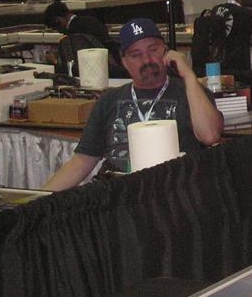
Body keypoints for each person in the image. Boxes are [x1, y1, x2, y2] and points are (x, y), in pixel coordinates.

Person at [43, 18, 223, 191]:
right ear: (124, 62)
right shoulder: (109, 100)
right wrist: (38, 199)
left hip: (172, 189)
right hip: (117, 191)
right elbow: (83, 160)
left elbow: (210, 136)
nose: (147, 60)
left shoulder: (191, 92)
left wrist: (189, 75)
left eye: (153, 50)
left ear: (166, 52)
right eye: (136, 55)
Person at [43, 0, 122, 77]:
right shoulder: (90, 20)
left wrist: (55, 61)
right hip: (115, 67)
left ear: (57, 20)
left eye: (55, 28)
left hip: (98, 73)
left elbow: (76, 69)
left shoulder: (74, 34)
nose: (60, 32)